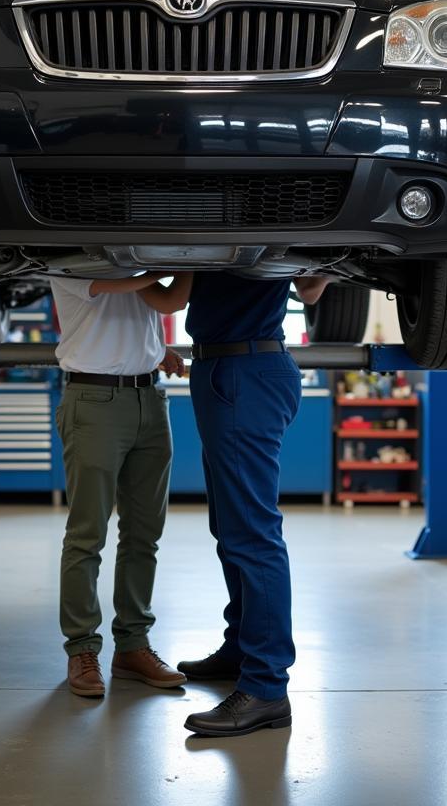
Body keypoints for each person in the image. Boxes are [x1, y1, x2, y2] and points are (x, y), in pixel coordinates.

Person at [145, 270, 333, 736]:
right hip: (225, 369)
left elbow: (311, 286)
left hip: (246, 368)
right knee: (229, 528)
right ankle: (242, 649)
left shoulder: (278, 212)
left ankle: (267, 687)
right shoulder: (228, 228)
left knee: (252, 533)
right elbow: (310, 288)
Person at [49, 271, 193, 697]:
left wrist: (153, 348)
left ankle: (132, 646)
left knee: (144, 534)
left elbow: (164, 305)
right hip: (93, 401)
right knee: (86, 535)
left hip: (150, 397)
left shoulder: (138, 261)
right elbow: (154, 298)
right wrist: (182, 258)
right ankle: (82, 649)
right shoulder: (69, 255)